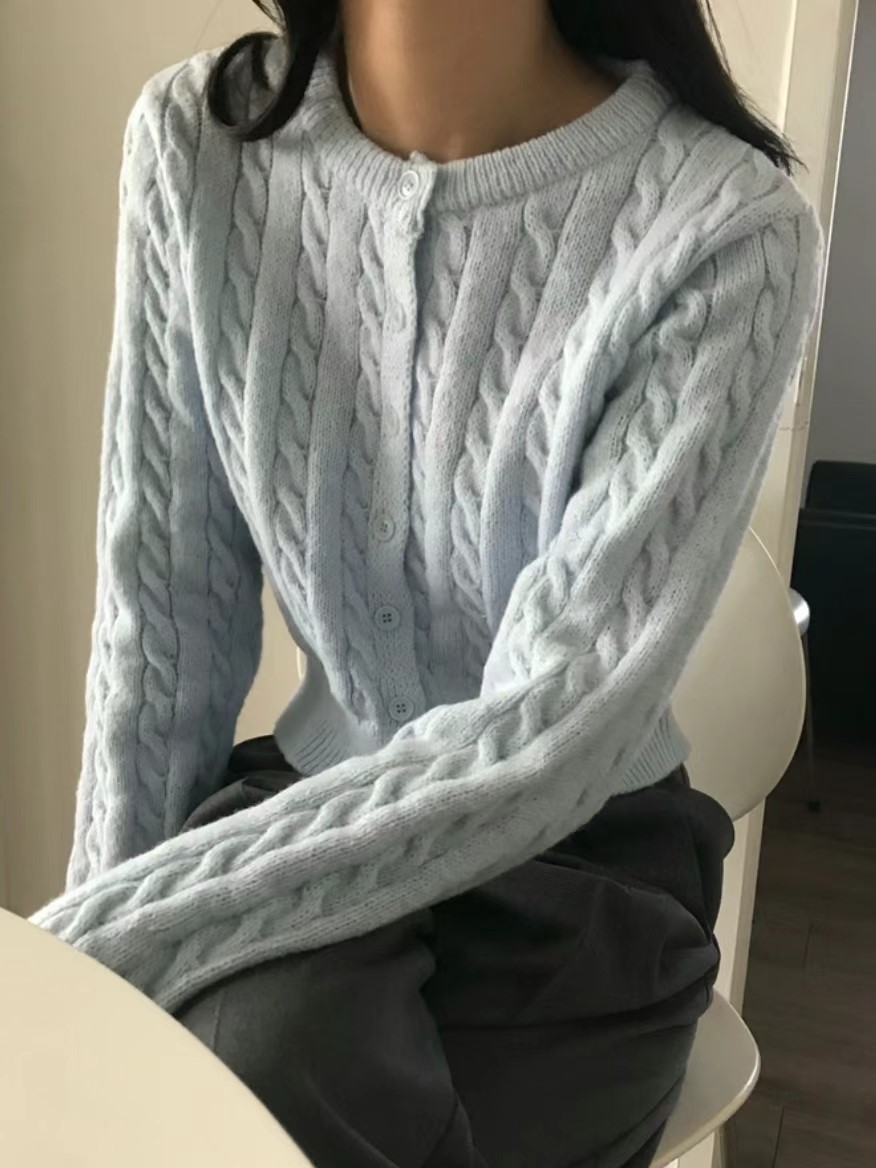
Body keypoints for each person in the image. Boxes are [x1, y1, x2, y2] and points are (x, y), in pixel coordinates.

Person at [33, 1, 822, 1164]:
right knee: (196, 1080)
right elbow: (162, 634)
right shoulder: (201, 142)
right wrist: (81, 1005)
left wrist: (95, 940)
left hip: (579, 866)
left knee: (258, 1078)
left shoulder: (726, 229)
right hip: (306, 814)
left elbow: (554, 727)